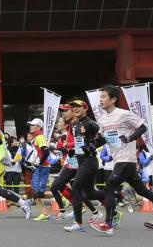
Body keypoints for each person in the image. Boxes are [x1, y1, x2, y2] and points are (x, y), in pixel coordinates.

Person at [90, 85, 153, 236]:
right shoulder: (103, 119)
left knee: (110, 185)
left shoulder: (123, 114)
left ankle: (109, 223)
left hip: (127, 158)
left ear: (113, 99)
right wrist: (93, 144)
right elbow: (103, 139)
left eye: (104, 97)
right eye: (100, 97)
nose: (101, 100)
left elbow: (142, 127)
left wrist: (130, 137)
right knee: (142, 190)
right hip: (118, 159)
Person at [61, 97, 107, 233]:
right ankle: (115, 194)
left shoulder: (91, 123)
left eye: (78, 106)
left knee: (76, 188)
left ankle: (78, 222)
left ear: (85, 108)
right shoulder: (76, 125)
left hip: (90, 161)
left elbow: (103, 137)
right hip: (80, 161)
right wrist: (72, 151)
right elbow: (79, 144)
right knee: (90, 193)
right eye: (73, 107)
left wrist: (93, 146)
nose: (75, 109)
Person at [25, 117, 51, 221]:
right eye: (30, 125)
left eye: (33, 125)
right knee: (35, 193)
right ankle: (44, 213)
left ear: (39, 127)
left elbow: (46, 152)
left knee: (38, 193)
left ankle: (62, 194)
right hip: (40, 167)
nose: (31, 127)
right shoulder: (36, 137)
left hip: (43, 167)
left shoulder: (40, 137)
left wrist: (39, 163)